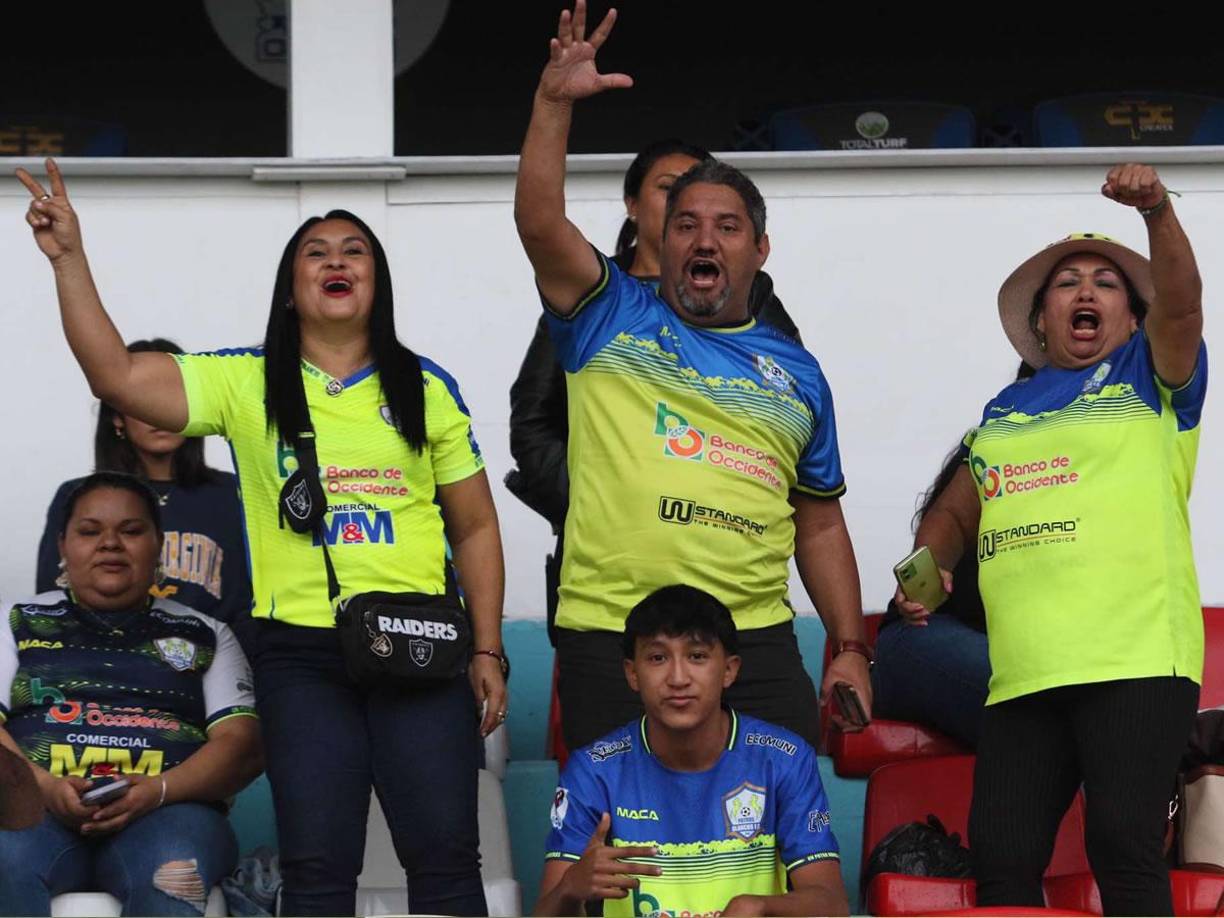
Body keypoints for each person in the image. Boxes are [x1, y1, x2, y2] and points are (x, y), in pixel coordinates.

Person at [16, 160, 507, 916]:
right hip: (302, 658)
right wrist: (69, 259)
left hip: (418, 642)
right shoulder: (245, 381)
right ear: (290, 288)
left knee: (445, 860)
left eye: (355, 250)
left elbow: (474, 525)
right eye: (316, 252)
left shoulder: (426, 386)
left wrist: (485, 647)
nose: (336, 260)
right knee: (316, 868)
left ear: (376, 283)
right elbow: (114, 375)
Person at [514, 0, 871, 752]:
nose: (704, 238)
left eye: (727, 226)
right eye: (685, 224)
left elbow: (821, 519)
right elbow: (542, 224)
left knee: (773, 860)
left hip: (756, 645)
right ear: (658, 239)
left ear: (760, 250)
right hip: (613, 636)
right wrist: (552, 106)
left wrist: (848, 645)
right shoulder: (608, 315)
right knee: (616, 860)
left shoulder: (798, 373)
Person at [898, 163, 1206, 914]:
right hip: (1025, 674)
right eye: (1067, 283)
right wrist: (929, 563)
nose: (1087, 292)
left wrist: (1157, 209)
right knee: (1002, 860)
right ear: (1041, 320)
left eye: (1106, 282)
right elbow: (954, 513)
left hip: (1134, 659)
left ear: (1134, 318)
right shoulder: (1006, 410)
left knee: (1124, 849)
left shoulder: (1151, 379)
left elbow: (1186, 304)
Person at [506, 138, 802, 649]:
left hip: (733, 600)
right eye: (672, 191)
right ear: (634, 205)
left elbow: (789, 421)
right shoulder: (590, 299)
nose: (695, 214)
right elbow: (532, 420)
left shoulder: (755, 301)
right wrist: (593, 498)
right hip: (606, 592)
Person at [0, 473, 262, 917]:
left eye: (131, 530)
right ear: (63, 544)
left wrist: (157, 791)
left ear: (159, 544)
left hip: (170, 813)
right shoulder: (16, 622)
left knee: (175, 871)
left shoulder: (207, 634)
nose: (110, 544)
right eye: (89, 531)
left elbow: (241, 745)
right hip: (35, 812)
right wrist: (44, 787)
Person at [535, 585, 847, 917]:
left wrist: (759, 907)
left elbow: (833, 907)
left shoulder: (784, 758)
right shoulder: (593, 769)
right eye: (658, 658)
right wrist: (570, 888)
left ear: (729, 670)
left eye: (697, 656)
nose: (678, 678)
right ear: (632, 673)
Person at [36, 338, 253, 652]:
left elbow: (249, 607)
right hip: (100, 666)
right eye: (143, 399)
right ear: (117, 417)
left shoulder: (233, 495)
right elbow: (51, 600)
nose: (157, 412)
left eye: (171, 395)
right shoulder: (77, 497)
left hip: (210, 666)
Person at [871, 362, 1033, 748]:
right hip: (926, 635)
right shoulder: (1001, 439)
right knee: (1033, 686)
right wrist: (924, 577)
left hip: (1022, 655)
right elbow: (949, 521)